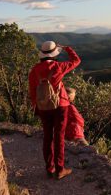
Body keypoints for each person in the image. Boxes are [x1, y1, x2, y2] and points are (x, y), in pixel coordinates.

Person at [28, 41, 81, 180]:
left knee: (47, 136)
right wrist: (67, 48)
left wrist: (37, 107)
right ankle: (60, 169)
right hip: (60, 106)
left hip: (43, 107)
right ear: (54, 54)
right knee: (59, 136)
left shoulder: (34, 70)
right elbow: (76, 60)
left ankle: (49, 168)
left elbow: (33, 92)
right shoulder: (58, 66)